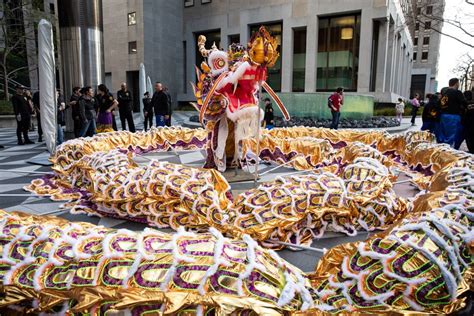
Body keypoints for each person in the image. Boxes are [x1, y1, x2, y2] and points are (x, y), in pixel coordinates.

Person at [438, 78, 468, 148]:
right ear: (456, 83)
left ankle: (443, 149)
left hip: (443, 115)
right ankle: (449, 151)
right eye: (458, 83)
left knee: (444, 135)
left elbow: (440, 103)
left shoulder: (445, 93)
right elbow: (464, 103)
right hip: (453, 116)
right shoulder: (457, 92)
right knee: (452, 135)